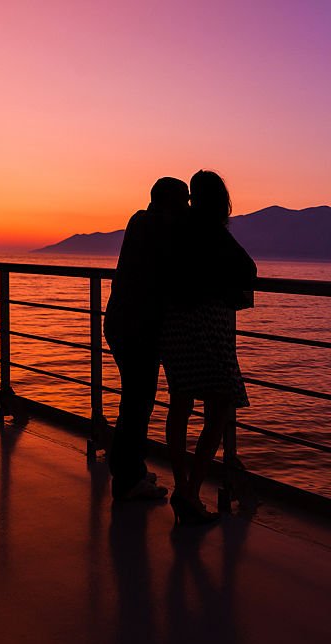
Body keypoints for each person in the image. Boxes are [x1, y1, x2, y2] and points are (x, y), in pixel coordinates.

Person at [162, 170, 256, 525]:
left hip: (173, 330)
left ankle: (181, 484)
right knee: (220, 407)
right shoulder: (215, 233)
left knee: (180, 405)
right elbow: (248, 269)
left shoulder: (176, 230)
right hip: (207, 331)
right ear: (221, 202)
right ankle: (190, 492)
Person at [104, 177, 189, 501]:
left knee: (135, 401)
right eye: (184, 200)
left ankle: (131, 470)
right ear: (170, 202)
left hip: (123, 324)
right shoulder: (158, 228)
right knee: (138, 404)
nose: (187, 206)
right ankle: (127, 480)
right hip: (137, 329)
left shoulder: (140, 221)